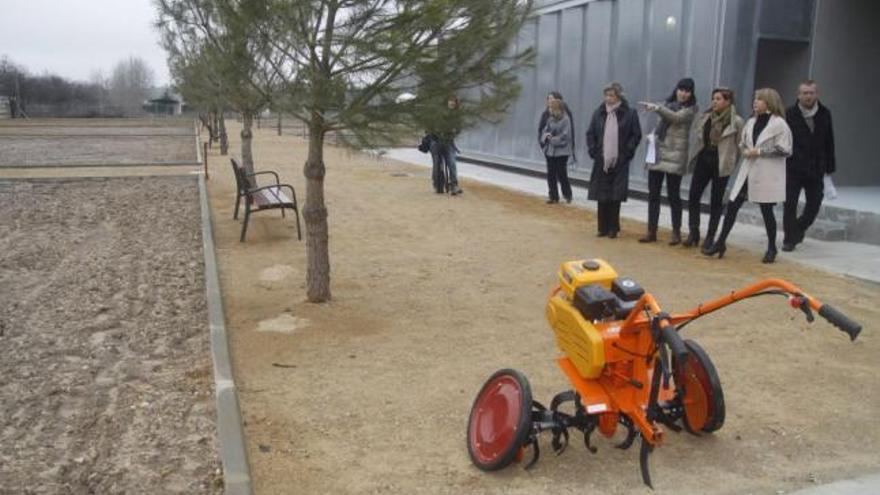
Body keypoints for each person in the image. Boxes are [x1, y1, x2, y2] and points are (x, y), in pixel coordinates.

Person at [703, 88, 792, 263]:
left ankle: (772, 247)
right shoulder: (751, 121)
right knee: (732, 206)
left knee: (767, 211)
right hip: (748, 170)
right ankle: (720, 242)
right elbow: (743, 142)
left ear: (769, 102)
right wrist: (744, 150)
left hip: (766, 173)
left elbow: (785, 149)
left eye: (759, 99)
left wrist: (759, 151)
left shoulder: (779, 124)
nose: (755, 102)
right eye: (755, 99)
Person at [683, 87, 744, 250]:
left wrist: (731, 162)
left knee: (716, 201)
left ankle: (710, 236)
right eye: (713, 98)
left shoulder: (736, 121)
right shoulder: (707, 116)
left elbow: (740, 146)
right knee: (693, 195)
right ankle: (693, 232)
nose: (714, 102)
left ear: (728, 101)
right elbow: (699, 135)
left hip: (721, 162)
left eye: (718, 99)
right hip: (704, 158)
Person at [638, 78, 698, 244]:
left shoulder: (690, 110)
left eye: (687, 91)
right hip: (658, 153)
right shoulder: (666, 104)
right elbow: (661, 122)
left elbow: (675, 118)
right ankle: (651, 231)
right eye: (681, 89)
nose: (683, 94)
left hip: (675, 156)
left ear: (691, 94)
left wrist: (657, 108)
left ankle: (676, 232)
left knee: (673, 196)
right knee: (653, 195)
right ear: (676, 89)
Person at [782, 80, 836, 251]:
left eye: (811, 92)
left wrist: (829, 167)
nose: (808, 96)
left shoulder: (825, 113)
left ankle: (798, 228)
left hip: (816, 167)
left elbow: (829, 141)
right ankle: (789, 239)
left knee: (814, 203)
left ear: (817, 94)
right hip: (793, 167)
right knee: (789, 204)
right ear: (799, 95)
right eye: (804, 93)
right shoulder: (789, 114)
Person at [586, 82, 642, 238]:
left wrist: (628, 151)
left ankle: (613, 228)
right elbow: (590, 133)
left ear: (618, 97)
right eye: (606, 95)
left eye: (611, 95)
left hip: (620, 159)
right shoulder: (599, 113)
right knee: (602, 194)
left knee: (615, 195)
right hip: (602, 159)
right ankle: (601, 227)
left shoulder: (629, 113)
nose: (608, 98)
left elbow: (636, 135)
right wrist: (593, 151)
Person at [428, 94, 464, 195]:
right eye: (450, 100)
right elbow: (431, 126)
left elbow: (458, 128)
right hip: (436, 141)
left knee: (452, 163)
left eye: (454, 101)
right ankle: (438, 184)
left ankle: (454, 185)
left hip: (448, 142)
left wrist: (454, 131)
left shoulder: (457, 116)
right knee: (437, 165)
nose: (452, 102)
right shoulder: (438, 113)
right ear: (446, 102)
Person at [540, 98, 574, 203]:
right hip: (550, 151)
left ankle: (567, 194)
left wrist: (553, 139)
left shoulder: (566, 119)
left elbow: (566, 136)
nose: (549, 109)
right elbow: (544, 131)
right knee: (551, 174)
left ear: (557, 108)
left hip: (562, 151)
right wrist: (546, 136)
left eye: (551, 107)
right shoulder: (550, 119)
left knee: (561, 172)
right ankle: (553, 196)